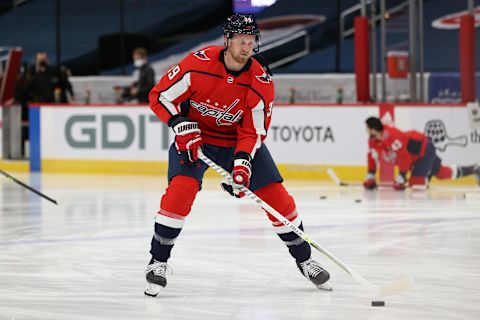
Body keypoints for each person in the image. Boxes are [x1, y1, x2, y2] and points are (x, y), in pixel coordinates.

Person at [144, 13, 331, 296]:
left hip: (236, 142)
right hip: (196, 138)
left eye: (251, 40)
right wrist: (178, 123)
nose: (246, 46)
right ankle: (157, 262)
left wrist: (242, 165)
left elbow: (253, 132)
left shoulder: (261, 81)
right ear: (228, 40)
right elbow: (160, 96)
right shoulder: (198, 63)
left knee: (277, 198)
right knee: (179, 193)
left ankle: (305, 260)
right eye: (241, 40)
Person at [363, 117, 480, 190]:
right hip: (416, 157)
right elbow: (372, 157)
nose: (366, 131)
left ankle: (425, 177)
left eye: (367, 128)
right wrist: (371, 175)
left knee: (417, 184)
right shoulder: (373, 142)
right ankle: (474, 169)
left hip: (425, 149)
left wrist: (402, 177)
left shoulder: (392, 136)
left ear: (373, 129)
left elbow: (404, 156)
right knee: (442, 173)